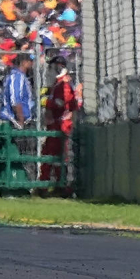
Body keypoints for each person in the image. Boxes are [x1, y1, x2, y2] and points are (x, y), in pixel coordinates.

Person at [41, 56, 81, 185]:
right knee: (52, 155)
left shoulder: (64, 84)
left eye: (52, 67)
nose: (50, 70)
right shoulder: (57, 83)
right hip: (56, 125)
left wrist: (45, 101)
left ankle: (55, 184)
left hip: (61, 126)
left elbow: (61, 103)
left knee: (56, 156)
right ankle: (54, 183)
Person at [0, 56, 35, 129]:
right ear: (24, 62)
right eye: (30, 61)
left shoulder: (21, 76)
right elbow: (15, 100)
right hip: (13, 121)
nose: (32, 63)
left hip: (22, 120)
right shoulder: (17, 76)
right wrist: (20, 120)